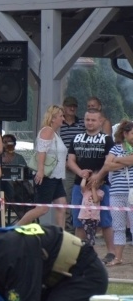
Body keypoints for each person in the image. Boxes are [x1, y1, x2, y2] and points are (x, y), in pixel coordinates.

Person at [67, 108, 115, 264]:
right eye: (87, 119)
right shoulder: (77, 138)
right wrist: (80, 172)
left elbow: (110, 162)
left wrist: (98, 176)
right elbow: (70, 161)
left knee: (105, 219)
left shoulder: (107, 140)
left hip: (102, 185)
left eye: (93, 120)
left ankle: (111, 253)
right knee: (78, 220)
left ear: (100, 121)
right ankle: (78, 253)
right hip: (79, 185)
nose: (90, 122)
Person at [16, 105, 69, 228]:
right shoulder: (48, 130)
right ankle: (16, 228)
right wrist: (40, 170)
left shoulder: (55, 134)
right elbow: (41, 151)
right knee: (42, 209)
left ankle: (60, 236)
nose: (63, 118)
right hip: (47, 176)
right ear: (53, 118)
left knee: (61, 205)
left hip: (56, 177)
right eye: (61, 116)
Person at [104, 120, 133, 264]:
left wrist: (117, 160)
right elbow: (107, 165)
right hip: (116, 192)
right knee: (118, 226)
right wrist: (125, 161)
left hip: (132, 193)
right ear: (125, 134)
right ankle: (118, 257)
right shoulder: (115, 148)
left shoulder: (117, 152)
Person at [59, 96, 84, 232]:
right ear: (64, 106)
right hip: (66, 168)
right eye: (69, 106)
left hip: (81, 166)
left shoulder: (82, 123)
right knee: (67, 199)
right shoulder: (59, 125)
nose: (72, 108)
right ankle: (69, 230)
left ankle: (81, 229)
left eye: (74, 106)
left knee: (82, 198)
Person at [77, 177, 102, 246]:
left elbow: (96, 200)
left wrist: (93, 188)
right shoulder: (86, 191)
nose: (93, 184)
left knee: (92, 232)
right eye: (92, 182)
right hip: (84, 216)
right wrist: (84, 177)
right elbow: (82, 185)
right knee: (88, 232)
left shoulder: (100, 192)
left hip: (95, 217)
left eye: (95, 182)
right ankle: (90, 243)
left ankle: (89, 244)